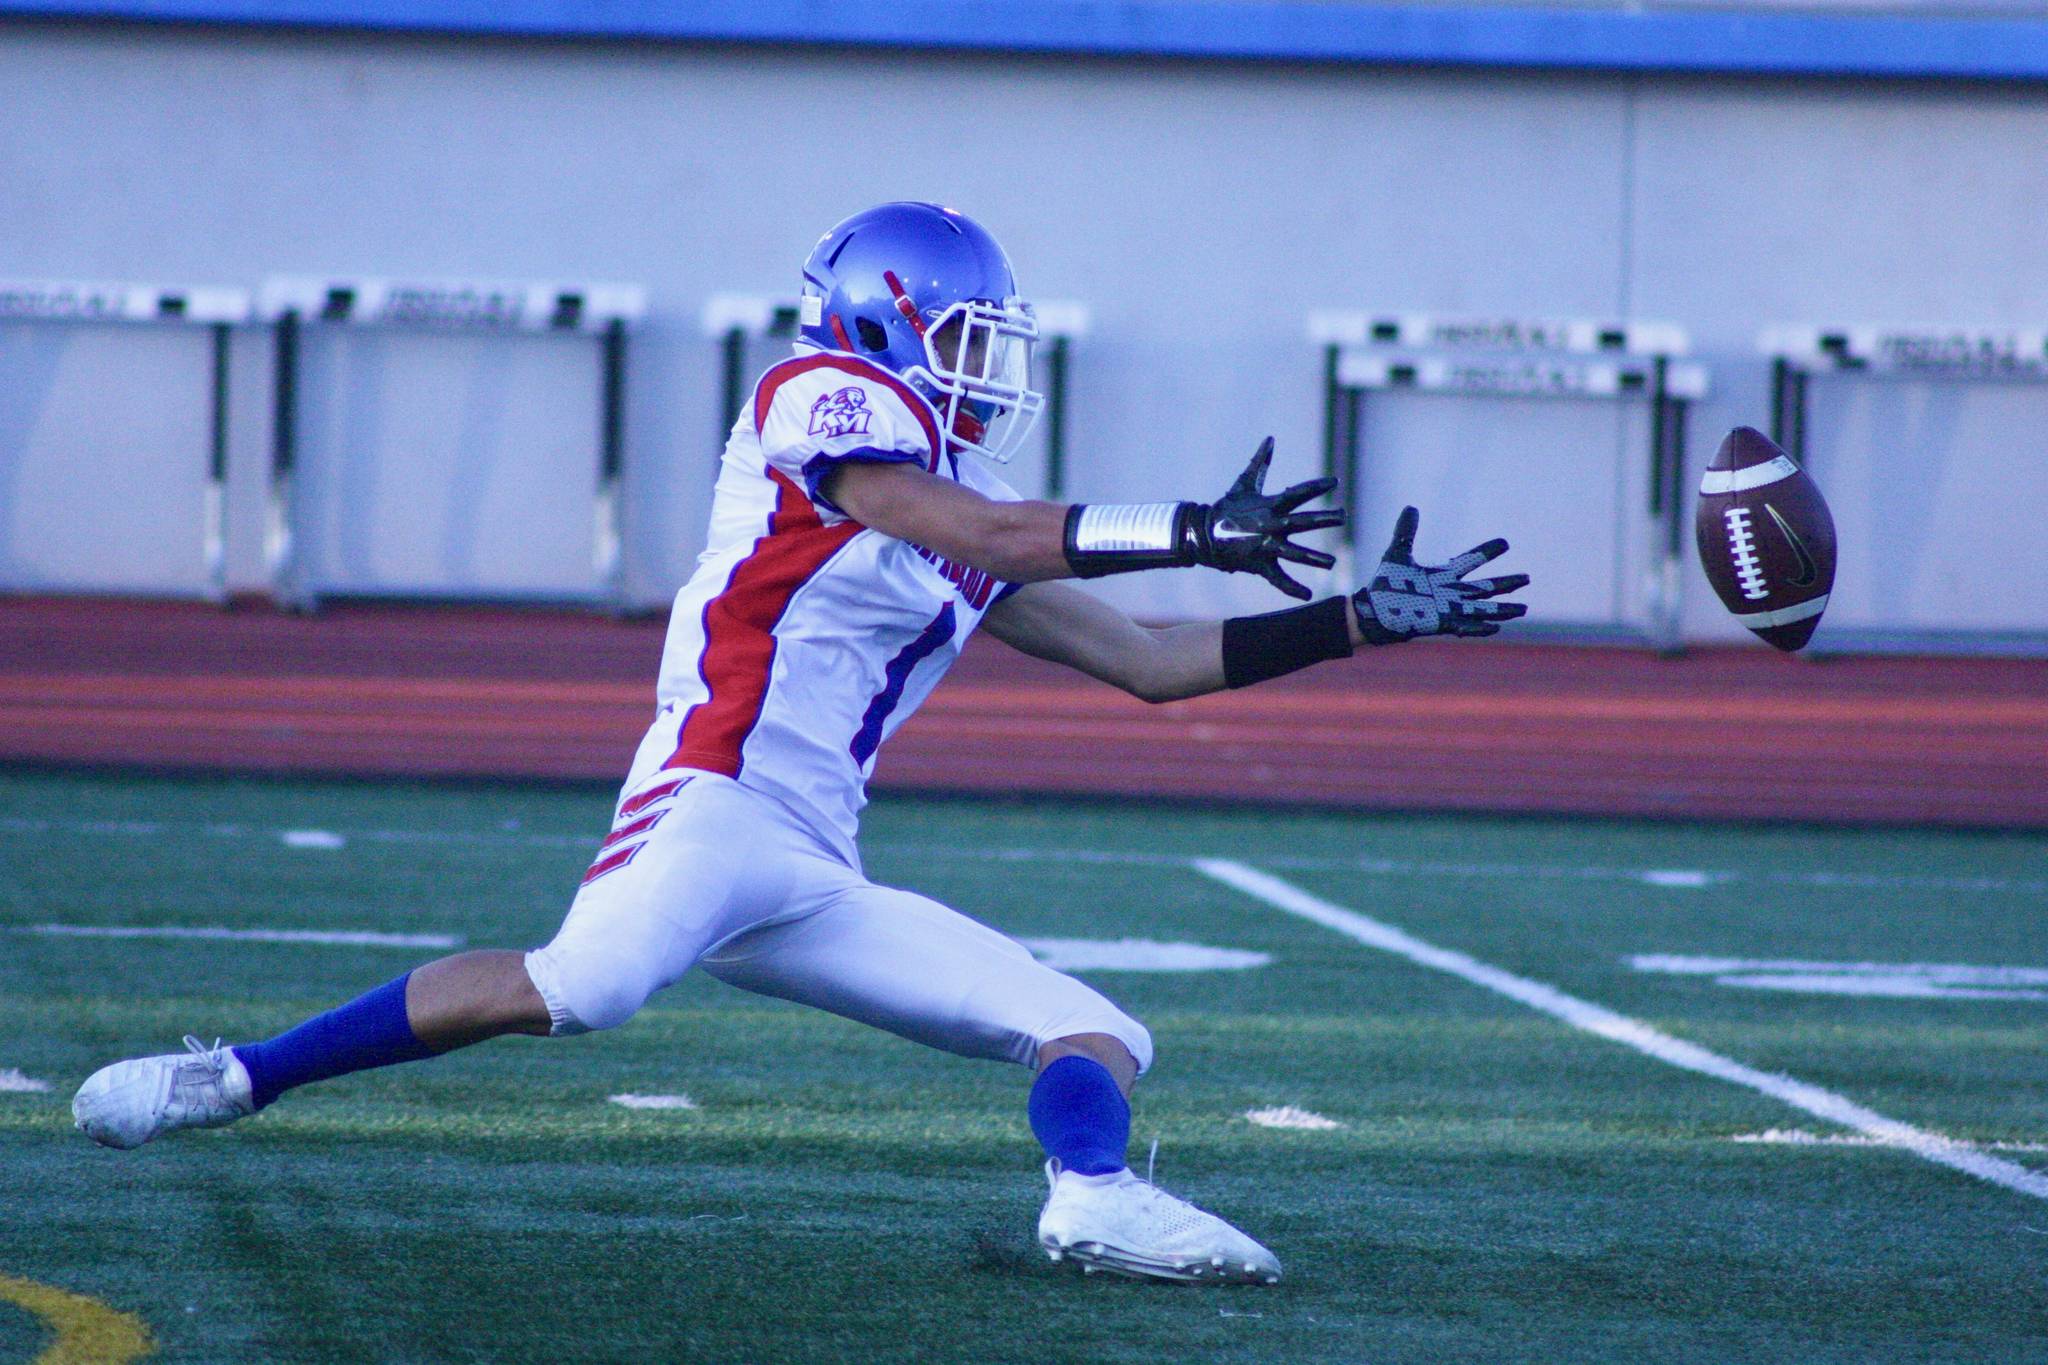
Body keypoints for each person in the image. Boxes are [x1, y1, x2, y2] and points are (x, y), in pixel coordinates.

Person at [72, 201, 1527, 1285]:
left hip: (810, 862)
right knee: (581, 985)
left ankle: (1091, 1195)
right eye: (967, 334)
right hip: (711, 796)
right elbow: (956, 524)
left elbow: (1151, 664)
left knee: (1096, 1027)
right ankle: (241, 1075)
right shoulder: (819, 401)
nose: (987, 364)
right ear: (889, 321)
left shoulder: (965, 486)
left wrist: (1357, 625)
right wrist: (1188, 526)